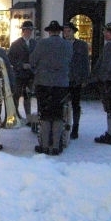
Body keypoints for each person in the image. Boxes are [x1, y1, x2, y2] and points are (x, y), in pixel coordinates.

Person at [30, 20, 73, 155]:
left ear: (49, 32)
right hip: (61, 84)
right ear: (59, 31)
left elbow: (32, 61)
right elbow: (70, 61)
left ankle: (44, 145)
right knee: (58, 115)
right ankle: (55, 146)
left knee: (45, 114)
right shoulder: (68, 45)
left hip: (43, 83)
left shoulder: (42, 43)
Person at [62, 21, 90, 139]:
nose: (66, 33)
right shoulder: (61, 44)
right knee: (62, 103)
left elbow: (85, 62)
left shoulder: (81, 45)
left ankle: (75, 127)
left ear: (73, 32)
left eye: (68, 31)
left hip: (76, 78)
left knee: (75, 104)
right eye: (64, 31)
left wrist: (85, 78)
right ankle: (63, 125)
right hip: (63, 79)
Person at [7, 20, 36, 122]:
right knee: (16, 95)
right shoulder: (16, 43)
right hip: (19, 74)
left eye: (31, 30)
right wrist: (21, 65)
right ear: (23, 31)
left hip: (30, 74)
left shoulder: (34, 43)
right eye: (27, 30)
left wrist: (33, 66)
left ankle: (28, 117)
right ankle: (16, 115)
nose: (29, 32)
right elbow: (10, 58)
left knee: (28, 96)